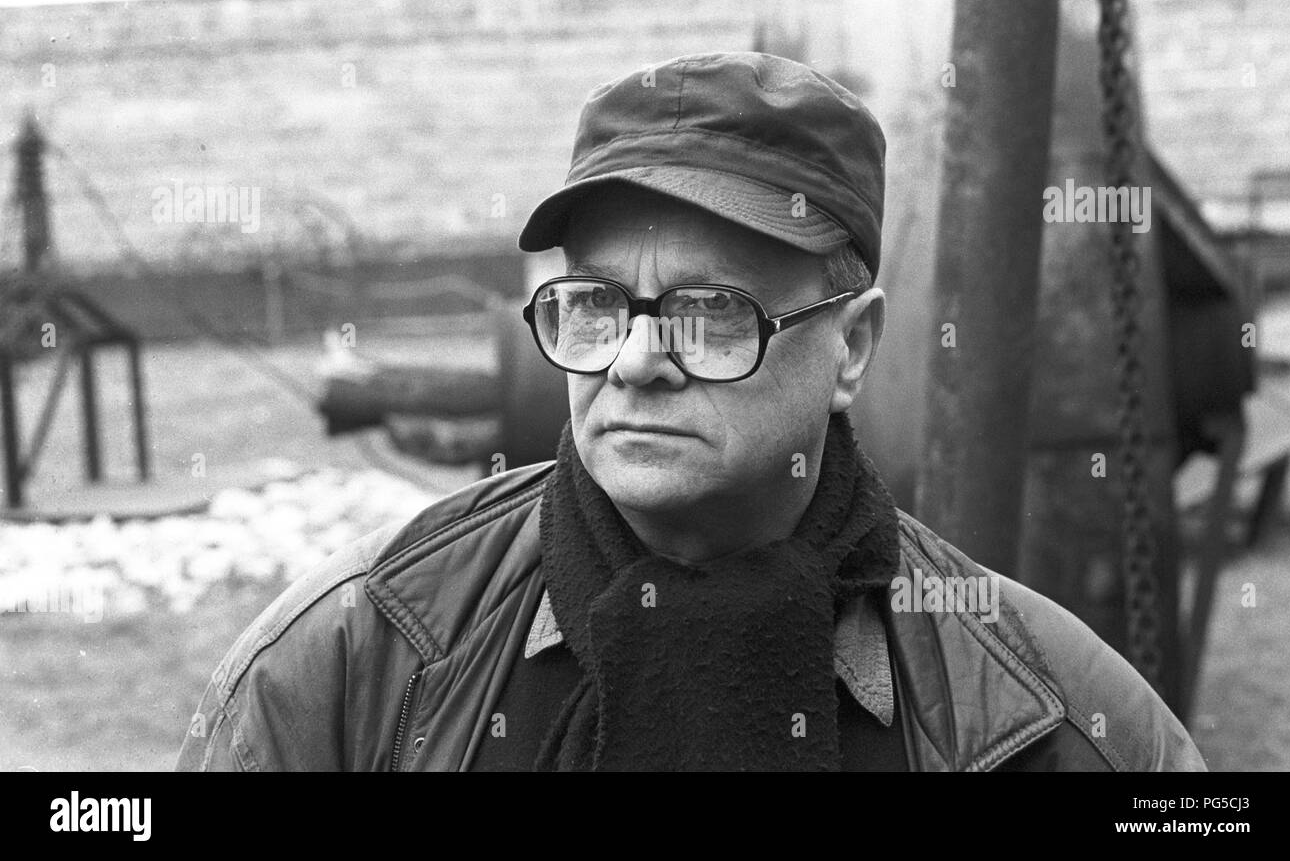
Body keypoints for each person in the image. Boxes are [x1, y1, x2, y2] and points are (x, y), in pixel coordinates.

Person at [176, 51, 1206, 771]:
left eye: (713, 313)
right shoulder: (353, 655)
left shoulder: (1042, 712)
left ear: (851, 346)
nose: (634, 360)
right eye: (595, 305)